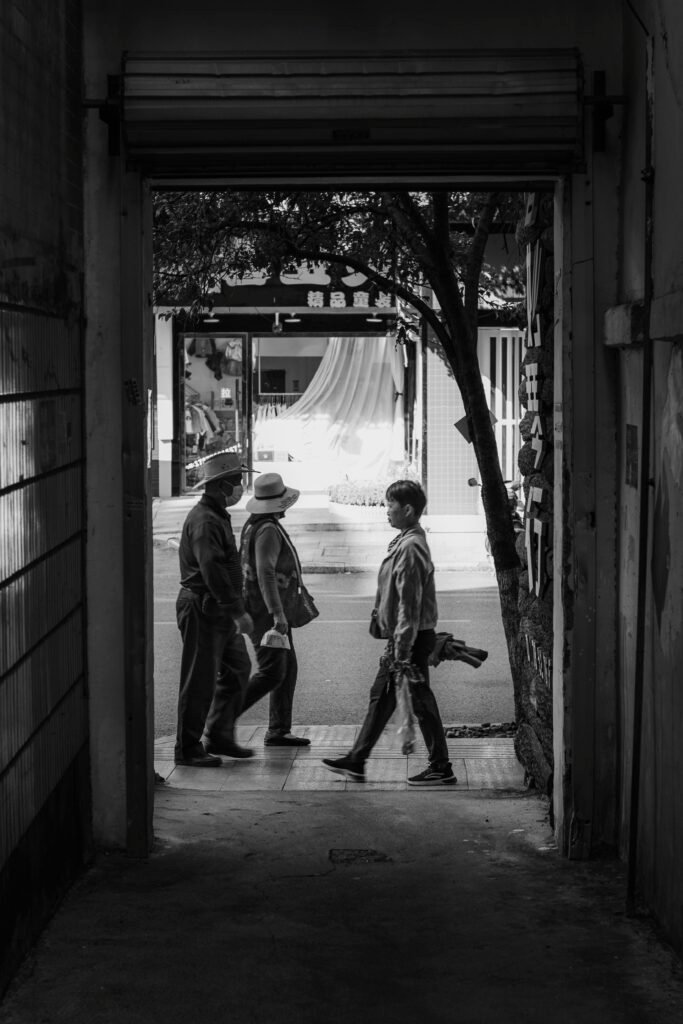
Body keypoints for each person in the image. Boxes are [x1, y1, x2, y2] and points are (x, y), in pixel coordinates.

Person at [322, 479, 455, 786]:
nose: (386, 512)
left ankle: (441, 766)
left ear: (408, 509)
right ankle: (357, 760)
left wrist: (402, 649)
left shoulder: (411, 548)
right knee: (382, 697)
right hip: (406, 639)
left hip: (409, 640)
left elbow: (410, 604)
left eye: (390, 506)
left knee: (419, 702)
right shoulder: (405, 541)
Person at [174, 451, 254, 767]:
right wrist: (238, 611)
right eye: (237, 482)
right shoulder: (206, 521)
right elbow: (213, 570)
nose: (240, 488)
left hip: (218, 609)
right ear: (221, 485)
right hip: (204, 609)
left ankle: (219, 735)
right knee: (199, 679)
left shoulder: (216, 514)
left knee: (237, 669)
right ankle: (187, 748)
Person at [238, 472, 312, 747]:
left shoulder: (254, 524)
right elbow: (265, 573)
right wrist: (278, 614)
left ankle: (279, 729)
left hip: (259, 609)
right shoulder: (268, 529)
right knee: (273, 671)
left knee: (285, 669)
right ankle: (222, 719)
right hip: (266, 613)